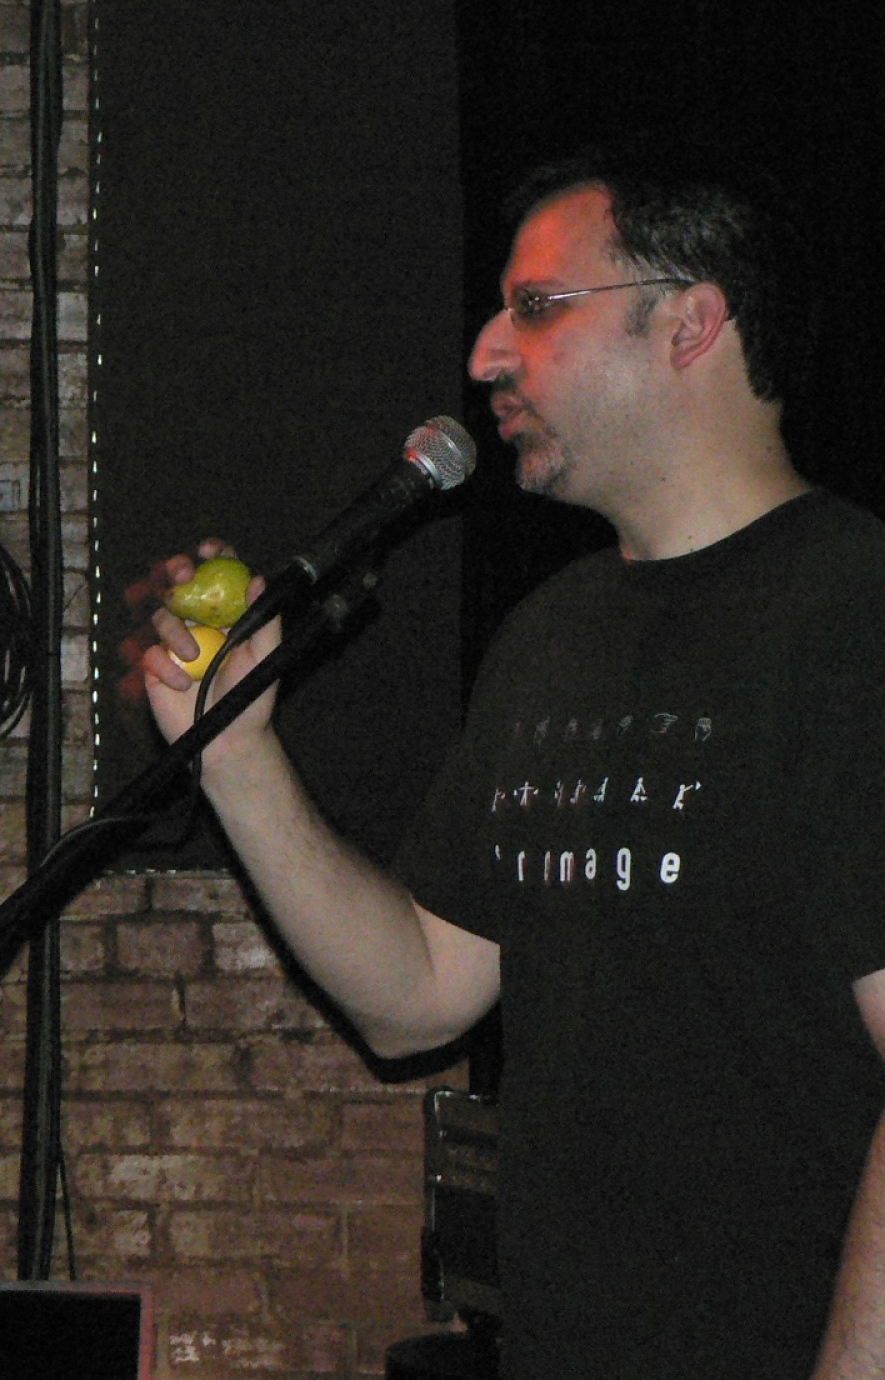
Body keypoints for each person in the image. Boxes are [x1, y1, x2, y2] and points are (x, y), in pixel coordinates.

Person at [141, 141, 885, 1379]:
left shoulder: (852, 614)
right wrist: (233, 753)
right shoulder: (554, 634)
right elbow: (413, 997)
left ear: (689, 324)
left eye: (535, 306)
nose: (486, 352)